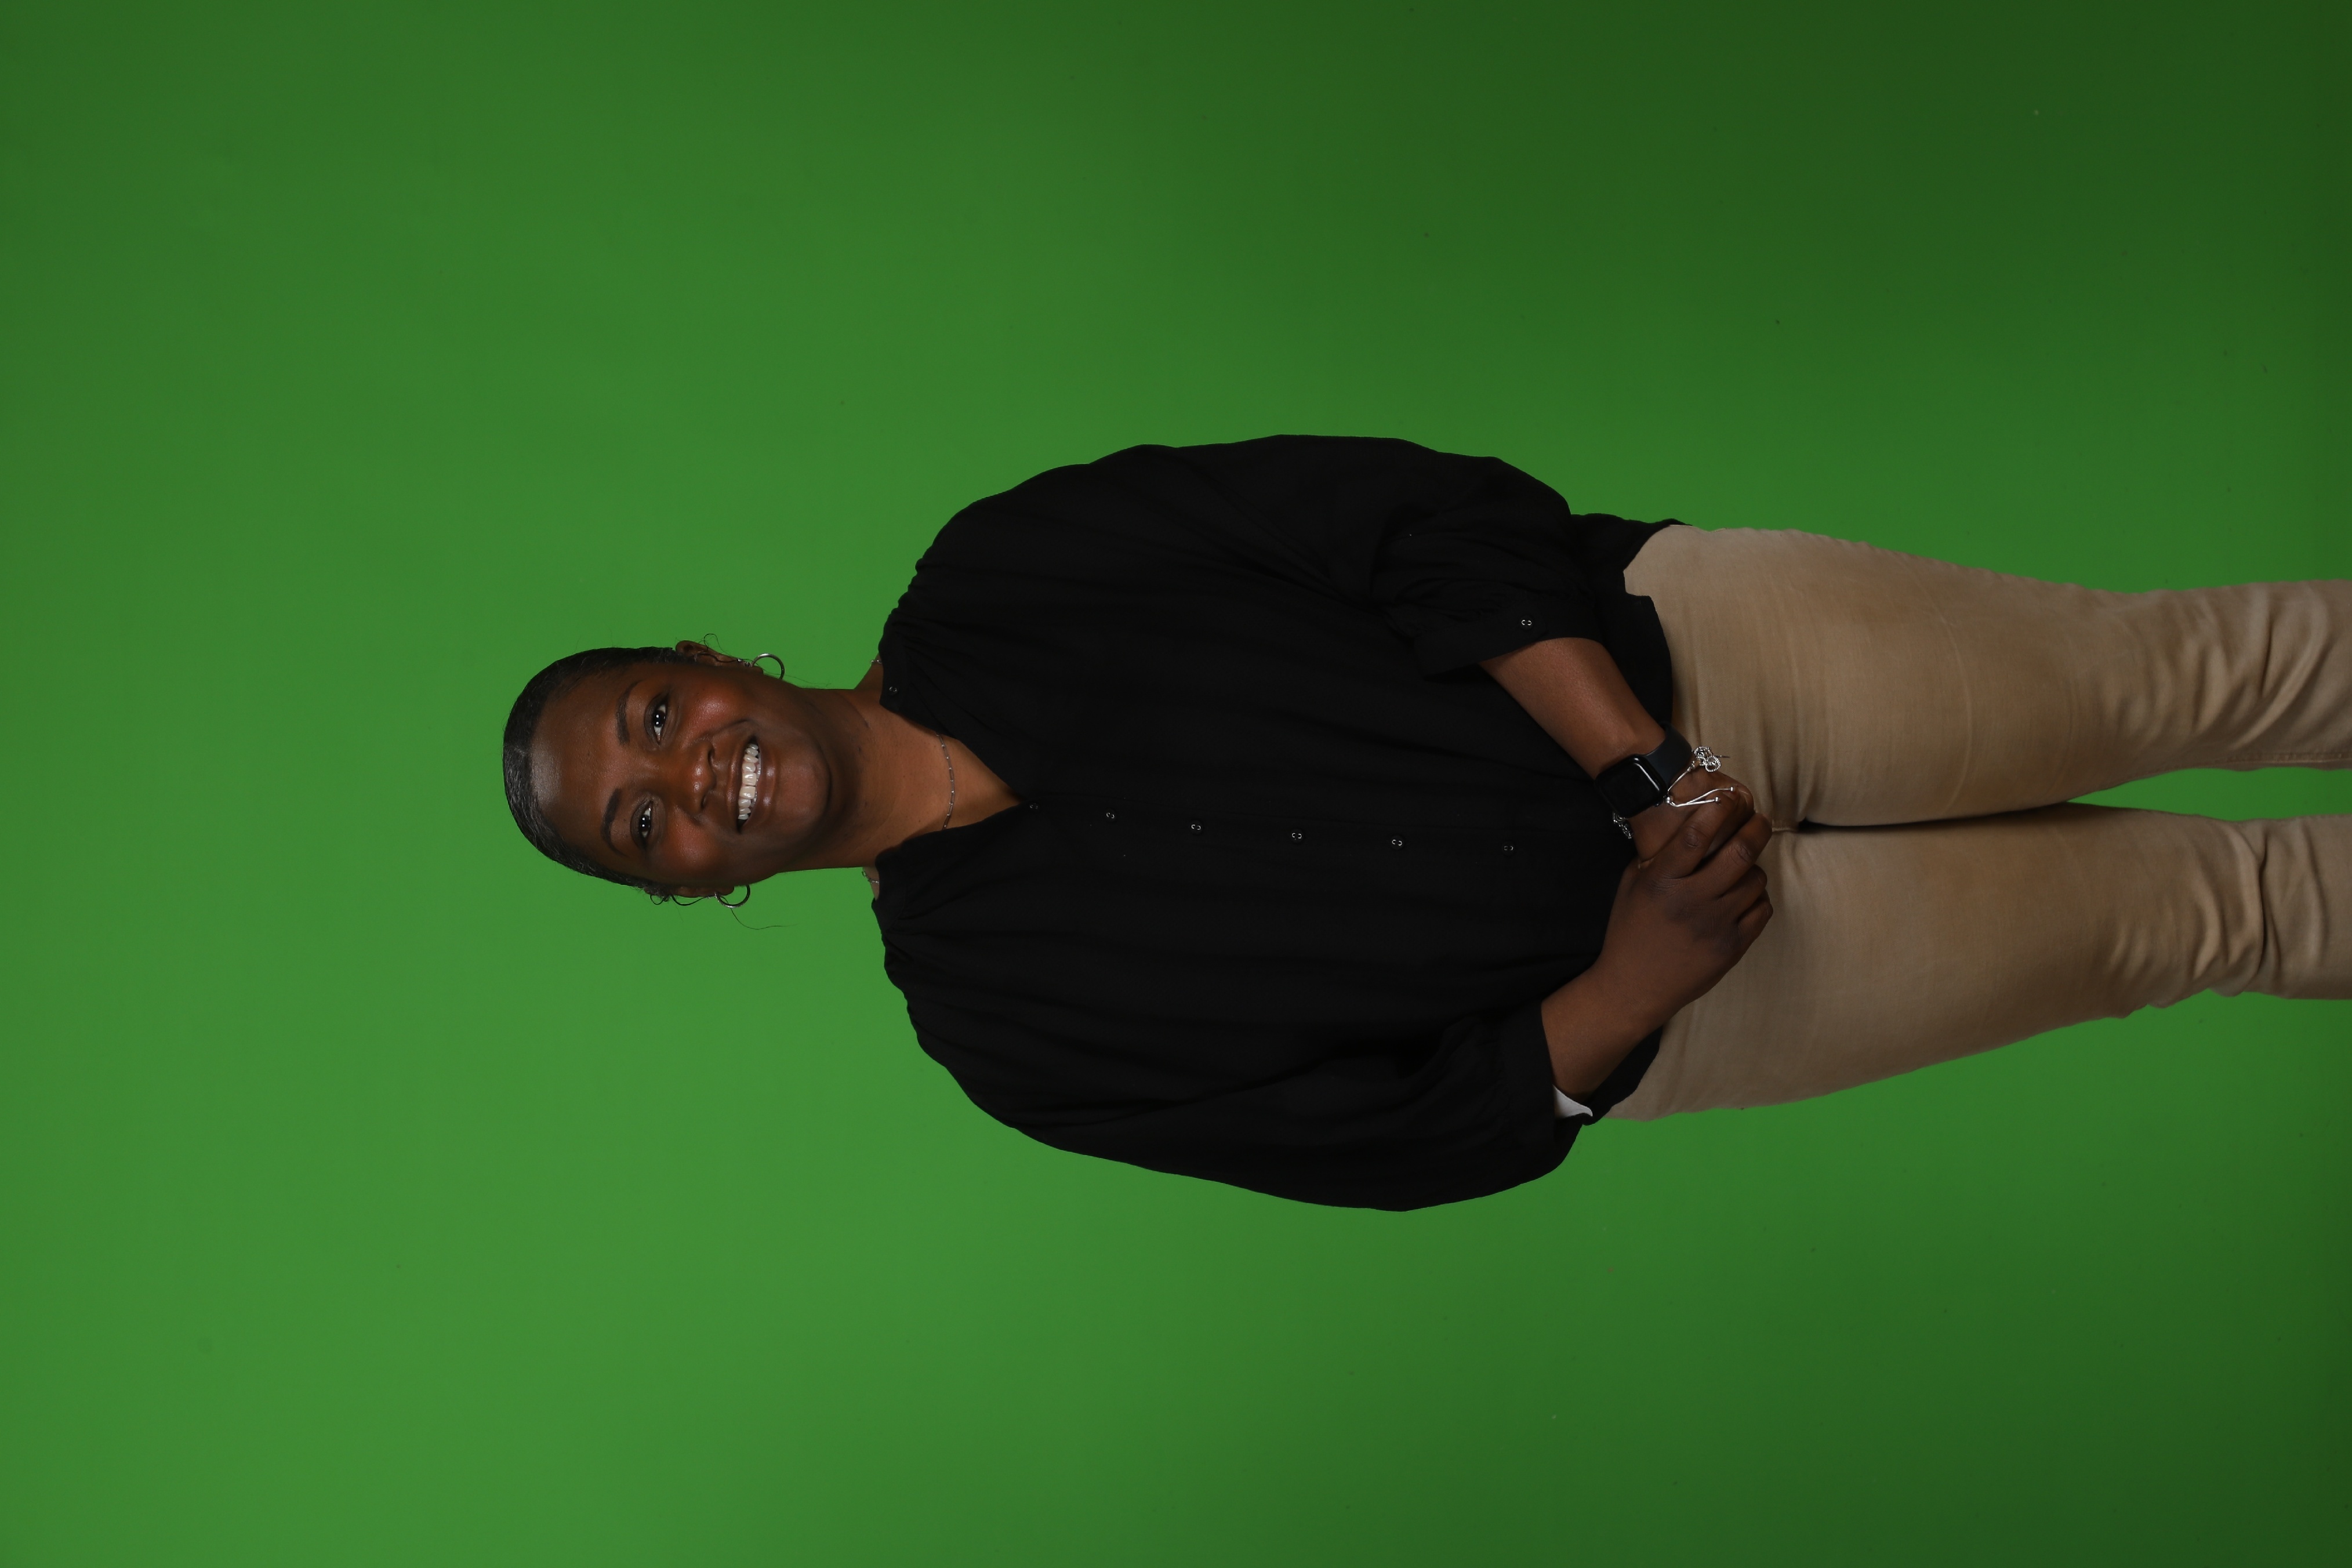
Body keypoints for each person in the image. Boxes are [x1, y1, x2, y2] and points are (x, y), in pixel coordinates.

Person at [502, 436, 2352, 1209]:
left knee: (2196, 676)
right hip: (1716, 991)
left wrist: (1642, 765)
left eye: (655, 721)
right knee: (2217, 917)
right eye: (643, 827)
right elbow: (1389, 1143)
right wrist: (1636, 982)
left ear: (702, 659)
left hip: (1709, 662)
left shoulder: (1010, 565)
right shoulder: (1005, 1038)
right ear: (688, 891)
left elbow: (1406, 520)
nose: (691, 779)